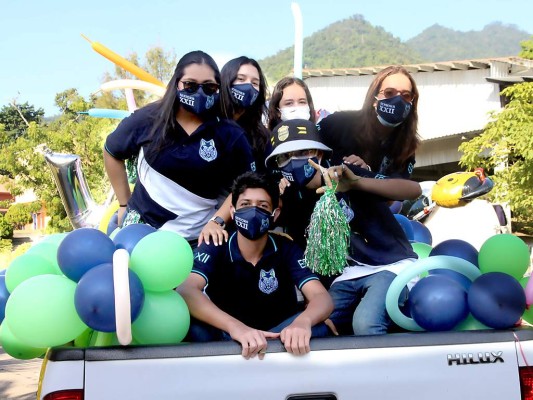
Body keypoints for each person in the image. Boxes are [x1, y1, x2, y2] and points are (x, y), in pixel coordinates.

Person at [103, 51, 255, 246]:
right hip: (141, 234)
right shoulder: (148, 118)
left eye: (209, 87)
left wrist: (217, 221)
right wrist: (123, 202)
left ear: (218, 89)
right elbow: (112, 150)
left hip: (198, 239)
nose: (200, 93)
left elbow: (245, 184)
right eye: (190, 85)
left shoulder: (230, 134)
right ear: (176, 83)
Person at [315, 65, 423, 335]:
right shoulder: (337, 124)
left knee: (365, 324)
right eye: (389, 92)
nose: (397, 99)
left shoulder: (404, 146)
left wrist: (361, 179)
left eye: (406, 95)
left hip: (390, 260)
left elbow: (409, 191)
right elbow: (307, 156)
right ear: (374, 95)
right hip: (350, 264)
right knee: (318, 326)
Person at [177, 172, 333, 358]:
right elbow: (187, 290)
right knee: (195, 330)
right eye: (245, 204)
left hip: (280, 338)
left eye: (262, 205)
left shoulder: (286, 247)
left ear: (275, 214)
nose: (253, 211)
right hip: (230, 339)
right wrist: (237, 328)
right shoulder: (217, 244)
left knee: (320, 328)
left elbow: (321, 297)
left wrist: (303, 322)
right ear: (233, 212)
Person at [219, 56, 271, 173]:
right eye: (241, 79)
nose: (249, 87)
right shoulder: (209, 124)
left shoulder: (261, 135)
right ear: (226, 81)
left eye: (255, 83)